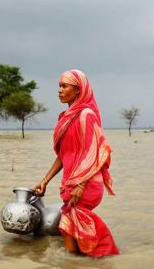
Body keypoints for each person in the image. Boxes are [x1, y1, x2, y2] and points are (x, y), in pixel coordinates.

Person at [33, 69, 119, 257]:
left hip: (87, 184)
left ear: (79, 90)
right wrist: (45, 180)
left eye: (65, 86)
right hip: (71, 182)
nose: (60, 90)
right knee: (68, 229)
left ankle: (95, 254)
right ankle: (84, 260)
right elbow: (64, 155)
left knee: (68, 225)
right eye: (59, 86)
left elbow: (93, 151)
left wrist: (81, 184)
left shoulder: (86, 115)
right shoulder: (66, 117)